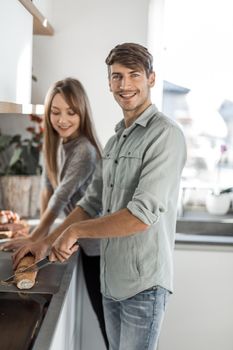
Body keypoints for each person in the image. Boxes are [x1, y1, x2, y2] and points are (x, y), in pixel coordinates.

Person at [13, 43, 187, 350]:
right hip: (111, 280)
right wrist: (44, 241)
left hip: (143, 285)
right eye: (117, 76)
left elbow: (141, 215)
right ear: (109, 83)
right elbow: (91, 202)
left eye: (134, 75)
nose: (125, 85)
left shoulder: (166, 135)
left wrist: (74, 230)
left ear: (151, 78)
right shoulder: (116, 140)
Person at [5, 77, 109, 349]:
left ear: (82, 112)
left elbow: (60, 199)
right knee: (105, 322)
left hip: (101, 251)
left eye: (71, 112)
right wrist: (35, 235)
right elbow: (47, 189)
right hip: (85, 246)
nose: (62, 119)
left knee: (108, 325)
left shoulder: (84, 150)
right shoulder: (57, 144)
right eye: (55, 111)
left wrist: (37, 240)